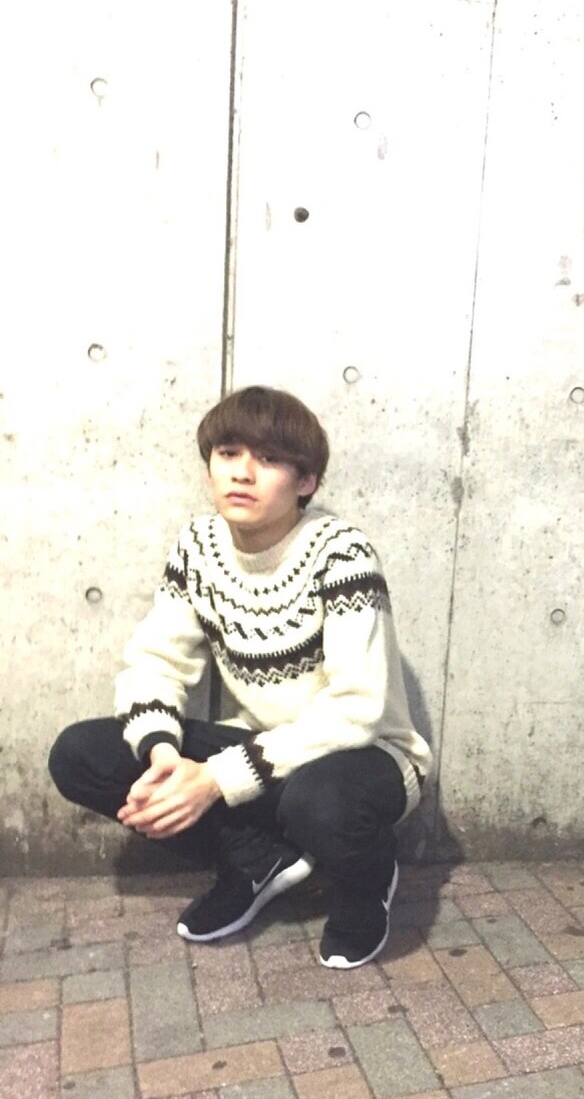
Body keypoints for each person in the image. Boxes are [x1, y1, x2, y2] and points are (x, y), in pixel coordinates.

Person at [49, 385, 431, 968]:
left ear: (305, 481)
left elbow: (355, 708)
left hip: (366, 755)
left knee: (317, 801)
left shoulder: (342, 553)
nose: (243, 473)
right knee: (81, 755)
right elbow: (156, 660)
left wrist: (214, 779)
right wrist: (163, 755)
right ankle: (256, 857)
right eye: (229, 453)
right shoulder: (199, 546)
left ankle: (367, 882)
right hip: (262, 750)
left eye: (269, 459)